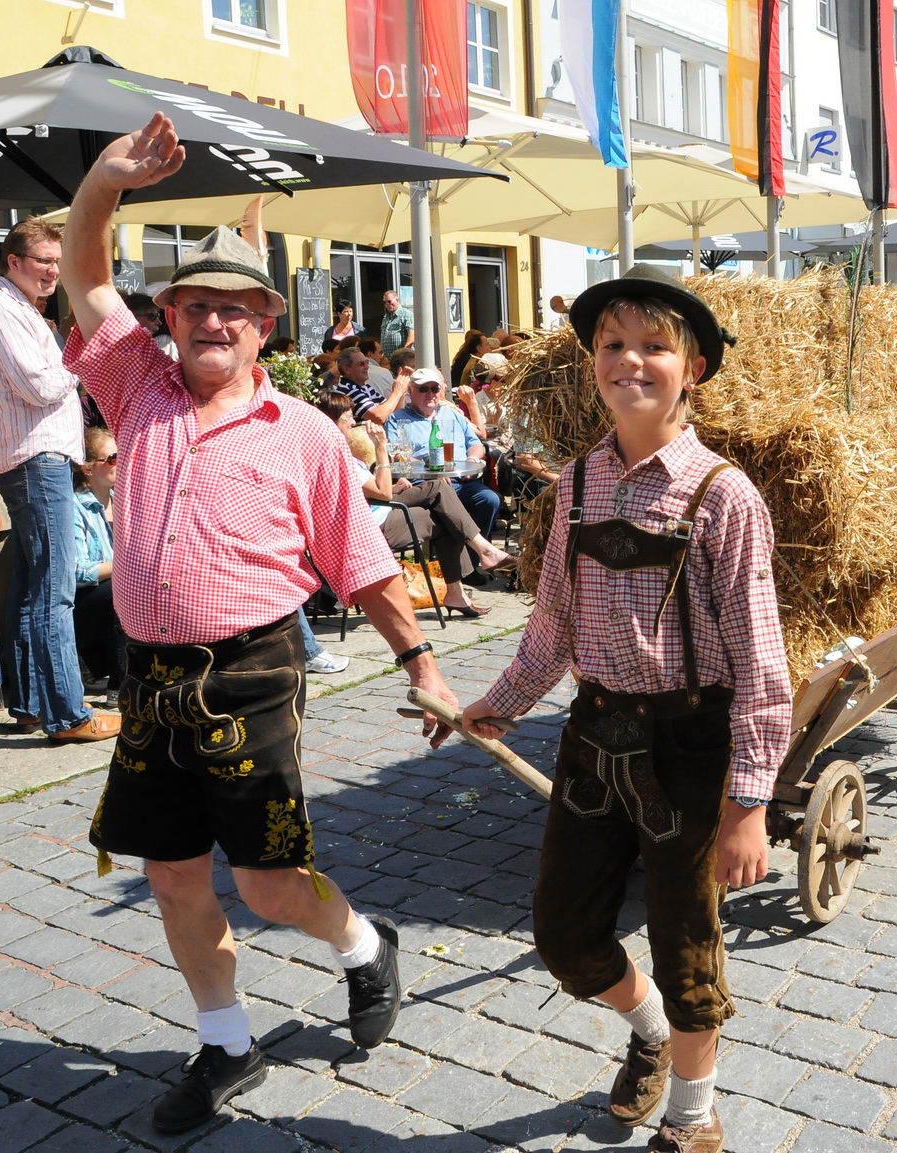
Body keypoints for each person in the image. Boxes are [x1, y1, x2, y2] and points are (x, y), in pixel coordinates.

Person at [61, 113, 464, 1135]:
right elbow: (83, 271)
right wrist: (105, 181)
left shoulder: (307, 434)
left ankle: (364, 943)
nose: (212, 323)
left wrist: (421, 661)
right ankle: (227, 1044)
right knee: (171, 873)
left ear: (265, 327)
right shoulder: (134, 383)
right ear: (170, 316)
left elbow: (361, 562)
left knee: (272, 879)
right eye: (194, 305)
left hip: (253, 668)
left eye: (235, 310)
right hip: (146, 672)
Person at [459, 265, 791, 1153]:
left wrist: (749, 802)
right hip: (593, 734)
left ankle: (693, 1114)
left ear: (693, 368)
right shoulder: (575, 483)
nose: (629, 361)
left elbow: (762, 660)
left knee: (687, 946)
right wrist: (496, 704)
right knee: (564, 936)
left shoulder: (723, 494)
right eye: (612, 344)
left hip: (688, 743)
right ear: (591, 362)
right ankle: (645, 1029)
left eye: (653, 346)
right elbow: (554, 624)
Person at [0, 218, 118, 745]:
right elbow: (39, 386)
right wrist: (80, 362)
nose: (54, 271)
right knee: (53, 591)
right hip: (38, 460)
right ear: (13, 262)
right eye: (44, 261)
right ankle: (67, 714)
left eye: (58, 262)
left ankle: (34, 704)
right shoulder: (1, 310)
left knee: (36, 587)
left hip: (39, 458)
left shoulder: (19, 310)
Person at [321, 393, 517, 617]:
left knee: (444, 507)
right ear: (332, 422)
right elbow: (381, 493)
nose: (354, 422)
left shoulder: (331, 452)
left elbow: (367, 492)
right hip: (369, 527)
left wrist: (394, 488)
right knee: (442, 500)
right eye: (348, 418)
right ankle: (482, 557)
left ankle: (462, 584)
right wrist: (381, 449)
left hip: (371, 512)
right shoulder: (338, 456)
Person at [387, 368, 501, 538]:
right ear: (410, 391)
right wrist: (433, 472)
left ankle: (472, 559)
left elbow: (477, 443)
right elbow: (396, 454)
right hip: (425, 483)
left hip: (461, 480)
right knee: (444, 508)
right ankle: (466, 557)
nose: (430, 393)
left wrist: (471, 459)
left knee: (490, 499)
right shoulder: (399, 418)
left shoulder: (452, 414)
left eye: (435, 389)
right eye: (423, 389)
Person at [72, 426, 123, 686]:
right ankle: (119, 685)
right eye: (112, 458)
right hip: (84, 604)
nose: (120, 462)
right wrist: (125, 567)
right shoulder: (74, 507)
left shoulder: (124, 500)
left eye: (122, 454)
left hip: (115, 594)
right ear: (88, 468)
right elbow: (78, 572)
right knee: (120, 587)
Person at [335, 345, 405, 426]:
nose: (367, 367)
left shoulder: (364, 386)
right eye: (361, 364)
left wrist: (402, 389)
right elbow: (379, 417)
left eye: (367, 363)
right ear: (346, 369)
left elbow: (395, 412)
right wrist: (397, 392)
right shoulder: (347, 389)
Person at [378, 289, 414, 355]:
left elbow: (412, 335)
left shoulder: (406, 314)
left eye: (389, 301)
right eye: (384, 302)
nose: (387, 304)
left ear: (397, 300)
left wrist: (404, 354)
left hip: (402, 358)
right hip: (387, 359)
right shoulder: (385, 317)